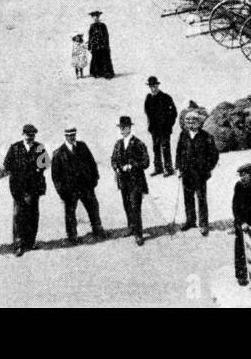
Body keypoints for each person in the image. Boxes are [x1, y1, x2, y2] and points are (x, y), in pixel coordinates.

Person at [51, 126, 106, 244]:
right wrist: (62, 192)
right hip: (70, 190)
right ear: (65, 136)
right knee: (70, 213)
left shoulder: (82, 147)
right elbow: (56, 176)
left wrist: (94, 179)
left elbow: (92, 163)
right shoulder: (59, 153)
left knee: (93, 207)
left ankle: (97, 229)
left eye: (73, 135)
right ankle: (72, 235)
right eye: (69, 135)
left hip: (86, 186)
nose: (71, 137)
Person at [4, 124, 48, 257]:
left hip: (34, 187)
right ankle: (18, 245)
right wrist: (19, 171)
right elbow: (7, 164)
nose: (31, 138)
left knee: (33, 215)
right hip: (18, 188)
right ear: (23, 135)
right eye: (28, 135)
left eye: (33, 135)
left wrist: (37, 170)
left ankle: (30, 242)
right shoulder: (15, 147)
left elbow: (45, 163)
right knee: (18, 216)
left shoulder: (39, 147)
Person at [176, 110, 219, 236]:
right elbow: (178, 152)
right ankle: (190, 221)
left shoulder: (206, 136)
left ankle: (204, 224)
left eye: (193, 121)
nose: (190, 123)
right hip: (186, 173)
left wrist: (208, 168)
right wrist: (179, 168)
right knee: (188, 198)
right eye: (188, 121)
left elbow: (214, 155)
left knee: (201, 198)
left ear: (199, 122)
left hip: (200, 174)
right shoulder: (183, 135)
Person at [111, 115, 150, 245]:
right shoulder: (118, 144)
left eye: (125, 127)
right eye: (121, 127)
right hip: (123, 181)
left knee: (135, 207)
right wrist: (116, 167)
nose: (122, 130)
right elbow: (113, 160)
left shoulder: (138, 143)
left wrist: (132, 165)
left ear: (130, 128)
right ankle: (131, 228)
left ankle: (139, 234)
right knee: (127, 205)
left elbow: (146, 162)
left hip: (136, 181)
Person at [143, 76, 177, 177]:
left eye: (155, 86)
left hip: (164, 129)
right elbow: (147, 113)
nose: (153, 88)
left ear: (158, 85)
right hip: (154, 129)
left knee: (165, 148)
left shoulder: (166, 97)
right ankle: (158, 168)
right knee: (156, 148)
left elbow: (173, 113)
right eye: (151, 86)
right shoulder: (148, 98)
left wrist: (168, 125)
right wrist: (150, 125)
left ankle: (168, 168)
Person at [87, 10, 114, 79]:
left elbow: (106, 36)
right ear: (92, 18)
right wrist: (89, 45)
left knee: (104, 58)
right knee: (96, 58)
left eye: (97, 17)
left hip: (103, 45)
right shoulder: (92, 26)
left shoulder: (103, 25)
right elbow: (90, 36)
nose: (95, 18)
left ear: (99, 17)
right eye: (94, 17)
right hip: (95, 46)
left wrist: (106, 45)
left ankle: (107, 73)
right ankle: (96, 72)